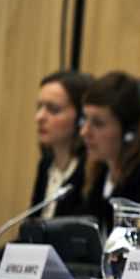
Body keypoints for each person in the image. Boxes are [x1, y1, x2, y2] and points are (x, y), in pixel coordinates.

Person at [78, 71, 140, 231]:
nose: (84, 132)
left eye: (98, 123)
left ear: (129, 132)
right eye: (84, 119)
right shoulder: (99, 172)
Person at [30, 71, 92, 218]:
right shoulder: (46, 165)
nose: (39, 117)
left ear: (82, 118)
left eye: (53, 109)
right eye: (39, 107)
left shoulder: (91, 171)